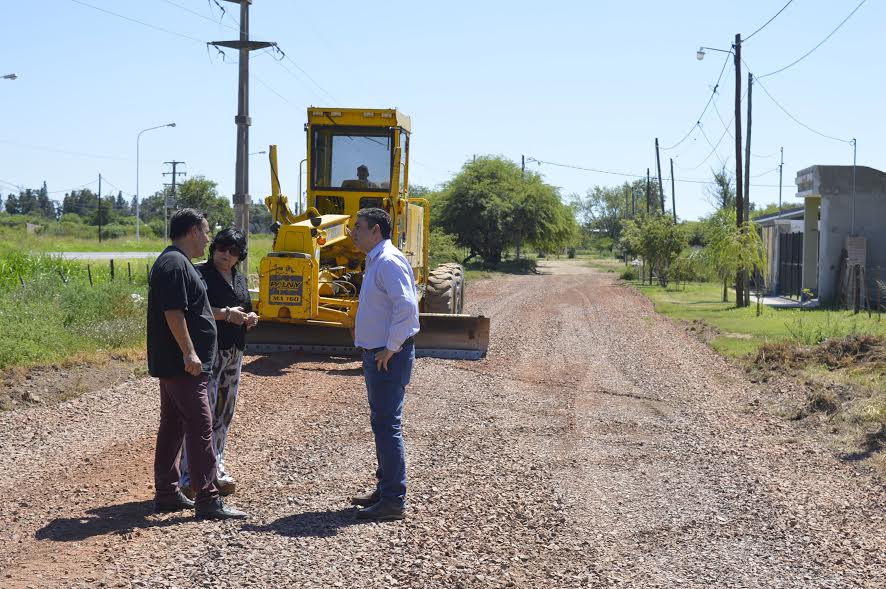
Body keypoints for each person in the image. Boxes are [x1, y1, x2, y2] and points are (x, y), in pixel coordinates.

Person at [147, 208, 247, 520]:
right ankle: (208, 498)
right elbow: (173, 312)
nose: (207, 239)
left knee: (174, 424)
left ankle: (167, 492)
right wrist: (190, 353)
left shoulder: (176, 262)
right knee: (201, 425)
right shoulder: (176, 264)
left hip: (177, 363)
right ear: (192, 231)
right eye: (204, 232)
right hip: (183, 365)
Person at [348, 207, 419, 521]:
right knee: (382, 423)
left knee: (387, 424)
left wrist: (390, 348)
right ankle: (386, 489)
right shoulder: (377, 260)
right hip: (378, 353)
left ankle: (392, 499)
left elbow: (406, 307)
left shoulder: (388, 261)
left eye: (358, 227)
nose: (353, 233)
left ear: (375, 230)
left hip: (387, 356)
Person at [179, 228, 258, 500]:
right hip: (209, 354)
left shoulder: (239, 278)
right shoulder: (200, 275)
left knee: (224, 414)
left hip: (234, 352)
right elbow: (191, 311)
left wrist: (249, 316)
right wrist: (226, 315)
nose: (227, 255)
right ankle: (189, 475)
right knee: (203, 415)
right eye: (223, 248)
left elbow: (244, 306)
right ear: (214, 248)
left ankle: (215, 467)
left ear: (240, 256)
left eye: (234, 251)